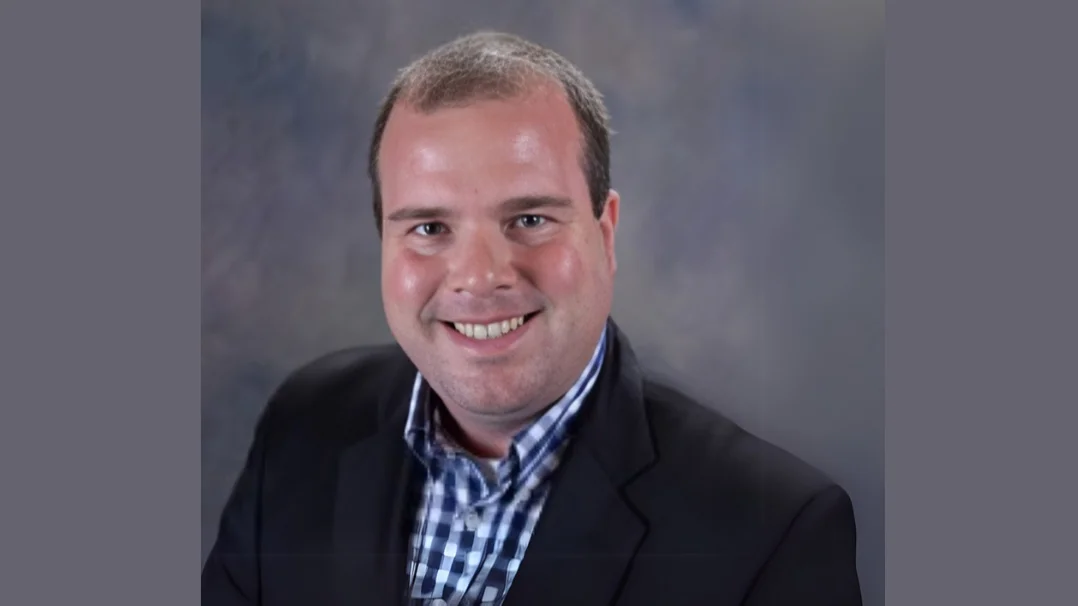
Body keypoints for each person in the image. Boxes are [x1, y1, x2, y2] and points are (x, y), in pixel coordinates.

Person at [202, 31, 863, 606]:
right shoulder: (306, 424)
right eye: (429, 228)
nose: (480, 275)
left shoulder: (773, 534)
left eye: (529, 219)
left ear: (605, 233)